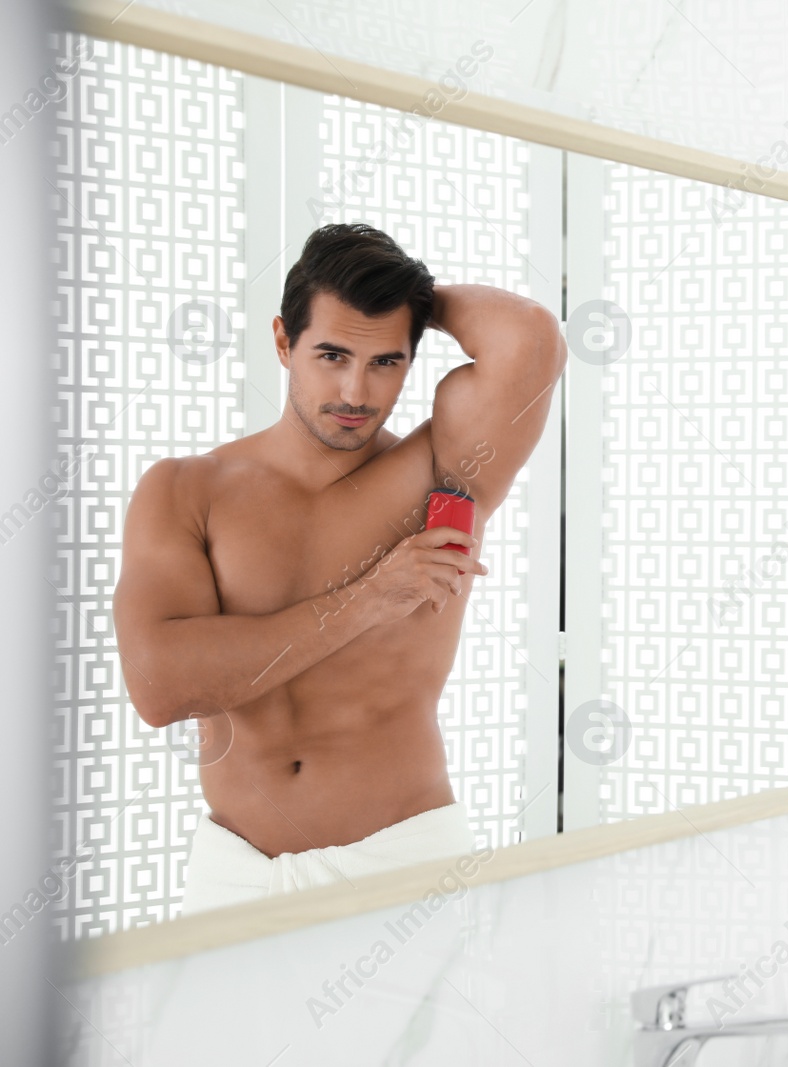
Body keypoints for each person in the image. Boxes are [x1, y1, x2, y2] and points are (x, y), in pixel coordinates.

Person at [111, 222, 566, 913]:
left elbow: (530, 339)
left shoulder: (440, 474)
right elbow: (160, 687)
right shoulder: (185, 490)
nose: (356, 389)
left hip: (403, 862)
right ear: (283, 341)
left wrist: (415, 297)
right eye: (331, 353)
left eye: (386, 361)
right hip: (236, 873)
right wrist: (369, 598)